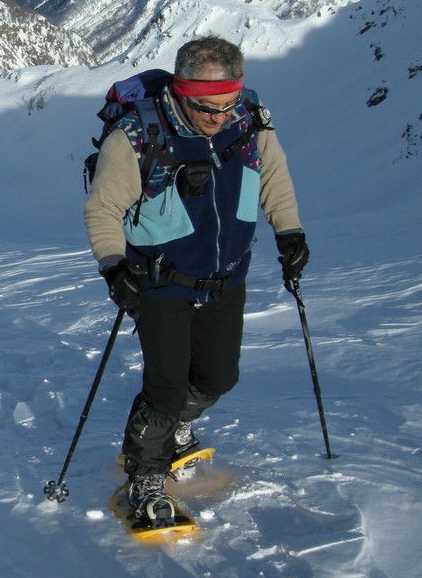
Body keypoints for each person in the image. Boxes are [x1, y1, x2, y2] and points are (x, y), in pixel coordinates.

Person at [83, 35, 309, 522]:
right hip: (160, 281)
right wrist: (113, 264)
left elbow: (272, 173)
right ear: (182, 92)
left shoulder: (248, 116)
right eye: (208, 107)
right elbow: (103, 208)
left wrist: (288, 231)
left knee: (217, 377)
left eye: (228, 103)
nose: (220, 116)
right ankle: (146, 475)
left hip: (227, 275)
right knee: (165, 387)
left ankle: (174, 426)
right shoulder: (138, 134)